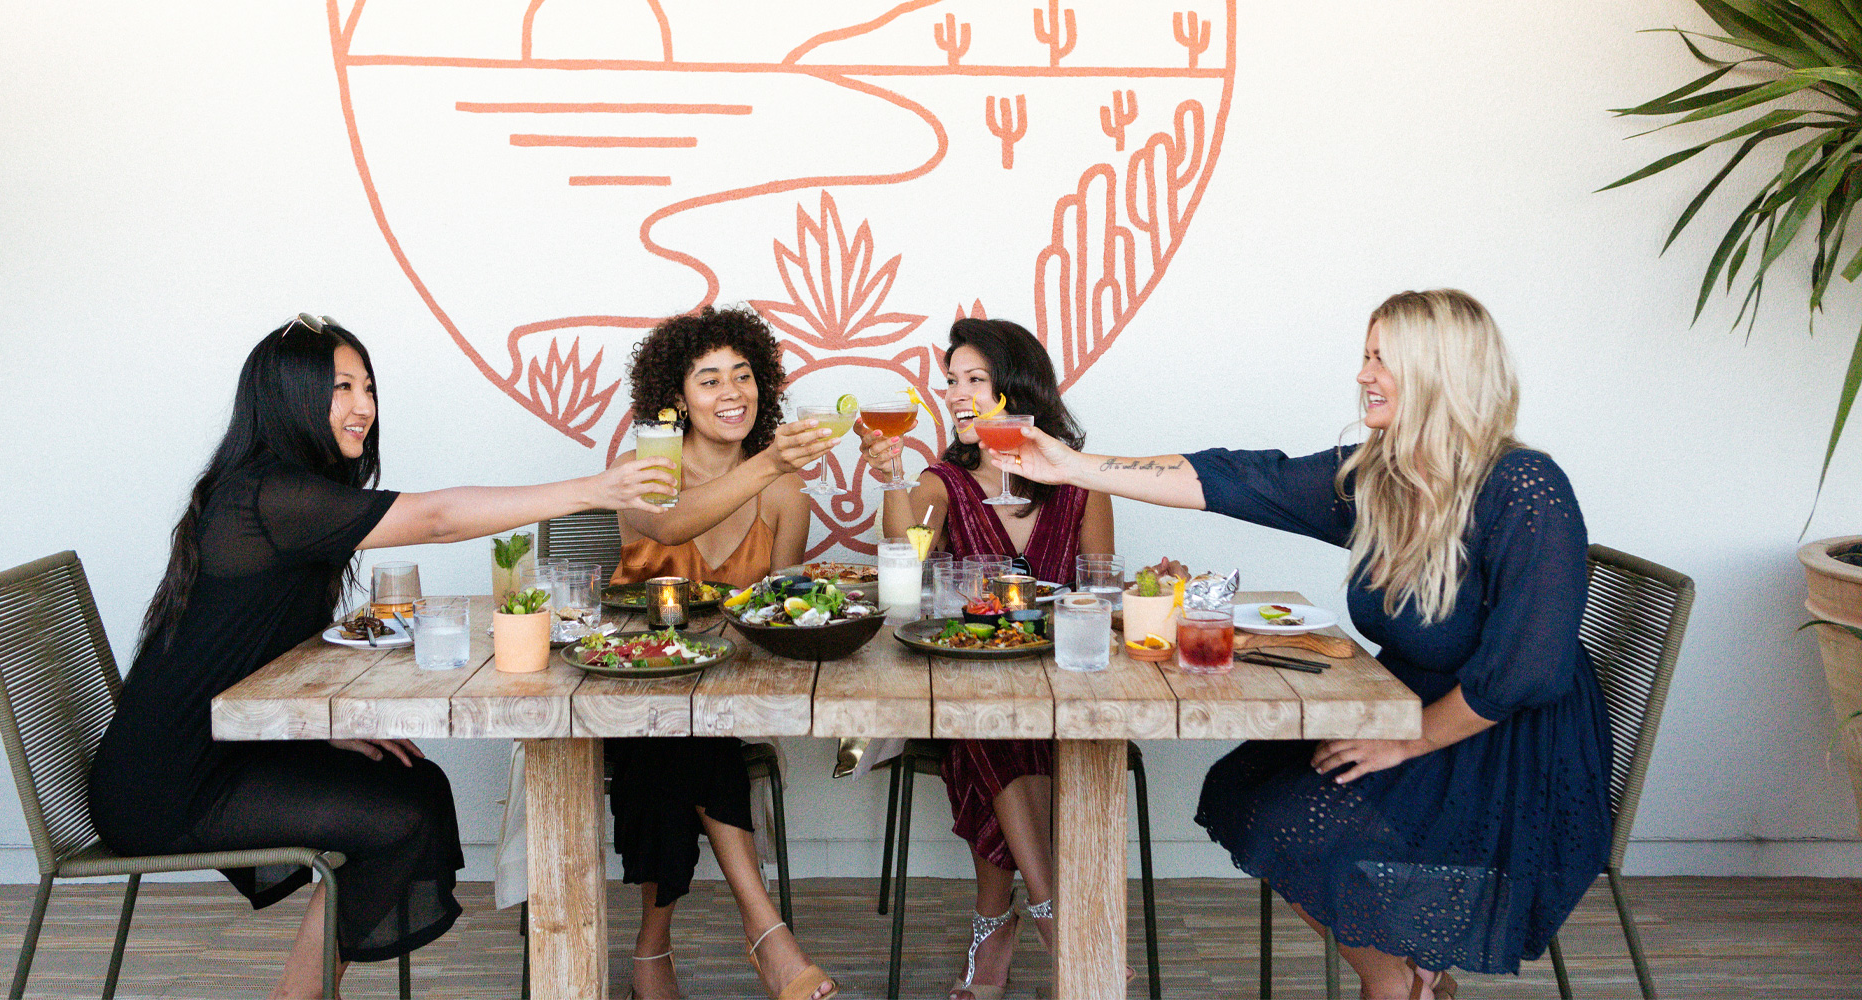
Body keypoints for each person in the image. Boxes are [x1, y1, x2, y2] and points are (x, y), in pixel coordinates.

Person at [991, 290, 1610, 999]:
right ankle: (1404, 977)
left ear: (1441, 371)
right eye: (1366, 356)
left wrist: (1407, 741)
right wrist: (1073, 466)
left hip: (1506, 745)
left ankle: (1395, 985)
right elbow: (1240, 479)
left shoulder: (1524, 487)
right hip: (1413, 710)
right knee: (1246, 788)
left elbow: (1527, 671)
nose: (1363, 375)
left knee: (1301, 817)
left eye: (1383, 359)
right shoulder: (1384, 475)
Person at [87, 314, 676, 1000]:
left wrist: (320, 725)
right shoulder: (268, 496)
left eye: (367, 386)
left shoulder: (276, 491)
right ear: (287, 396)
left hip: (221, 750)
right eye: (341, 387)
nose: (363, 406)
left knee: (413, 785)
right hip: (169, 783)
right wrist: (592, 490)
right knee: (399, 817)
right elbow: (435, 518)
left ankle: (312, 988)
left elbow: (247, 646)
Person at [860, 317, 1114, 1000]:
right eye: (951, 382)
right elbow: (905, 553)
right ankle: (1058, 918)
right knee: (988, 721)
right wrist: (889, 480)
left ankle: (991, 924)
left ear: (1018, 388)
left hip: (1066, 692)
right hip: (967, 689)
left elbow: (1100, 592)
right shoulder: (942, 482)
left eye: (975, 379)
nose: (957, 394)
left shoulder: (1082, 486)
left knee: (1004, 730)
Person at [606, 305, 841, 1000]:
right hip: (624, 687)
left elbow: (777, 618)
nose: (732, 391)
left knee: (687, 737)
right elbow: (674, 520)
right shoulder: (642, 471)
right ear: (676, 398)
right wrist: (769, 462)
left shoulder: (786, 495)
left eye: (743, 375)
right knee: (675, 735)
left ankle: (654, 951)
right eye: (709, 380)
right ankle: (766, 931)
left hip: (732, 694)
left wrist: (810, 595)